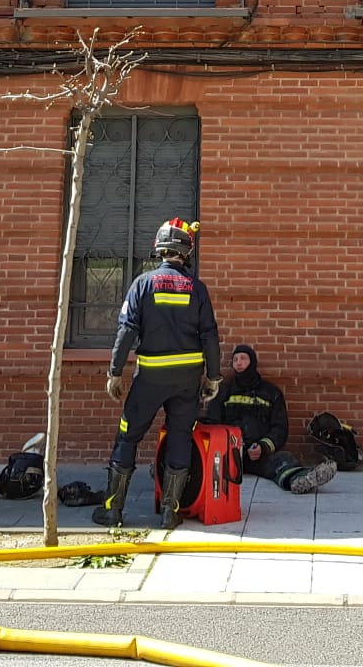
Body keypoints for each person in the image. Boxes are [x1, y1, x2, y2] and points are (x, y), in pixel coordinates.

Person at [96, 218, 219, 528]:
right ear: (187, 251)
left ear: (160, 249)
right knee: (180, 437)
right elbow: (210, 335)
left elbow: (127, 331)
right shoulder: (197, 288)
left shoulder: (143, 283)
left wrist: (114, 372)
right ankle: (170, 512)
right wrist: (213, 377)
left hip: (150, 376)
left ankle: (113, 509)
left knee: (128, 436)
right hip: (188, 378)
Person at [202, 344, 336, 495]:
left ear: (252, 362)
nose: (239, 363)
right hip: (229, 454)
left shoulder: (270, 392)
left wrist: (262, 447)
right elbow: (213, 424)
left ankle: (300, 479)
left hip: (259, 455)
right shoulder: (223, 392)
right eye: (235, 360)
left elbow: (280, 429)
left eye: (243, 359)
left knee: (284, 460)